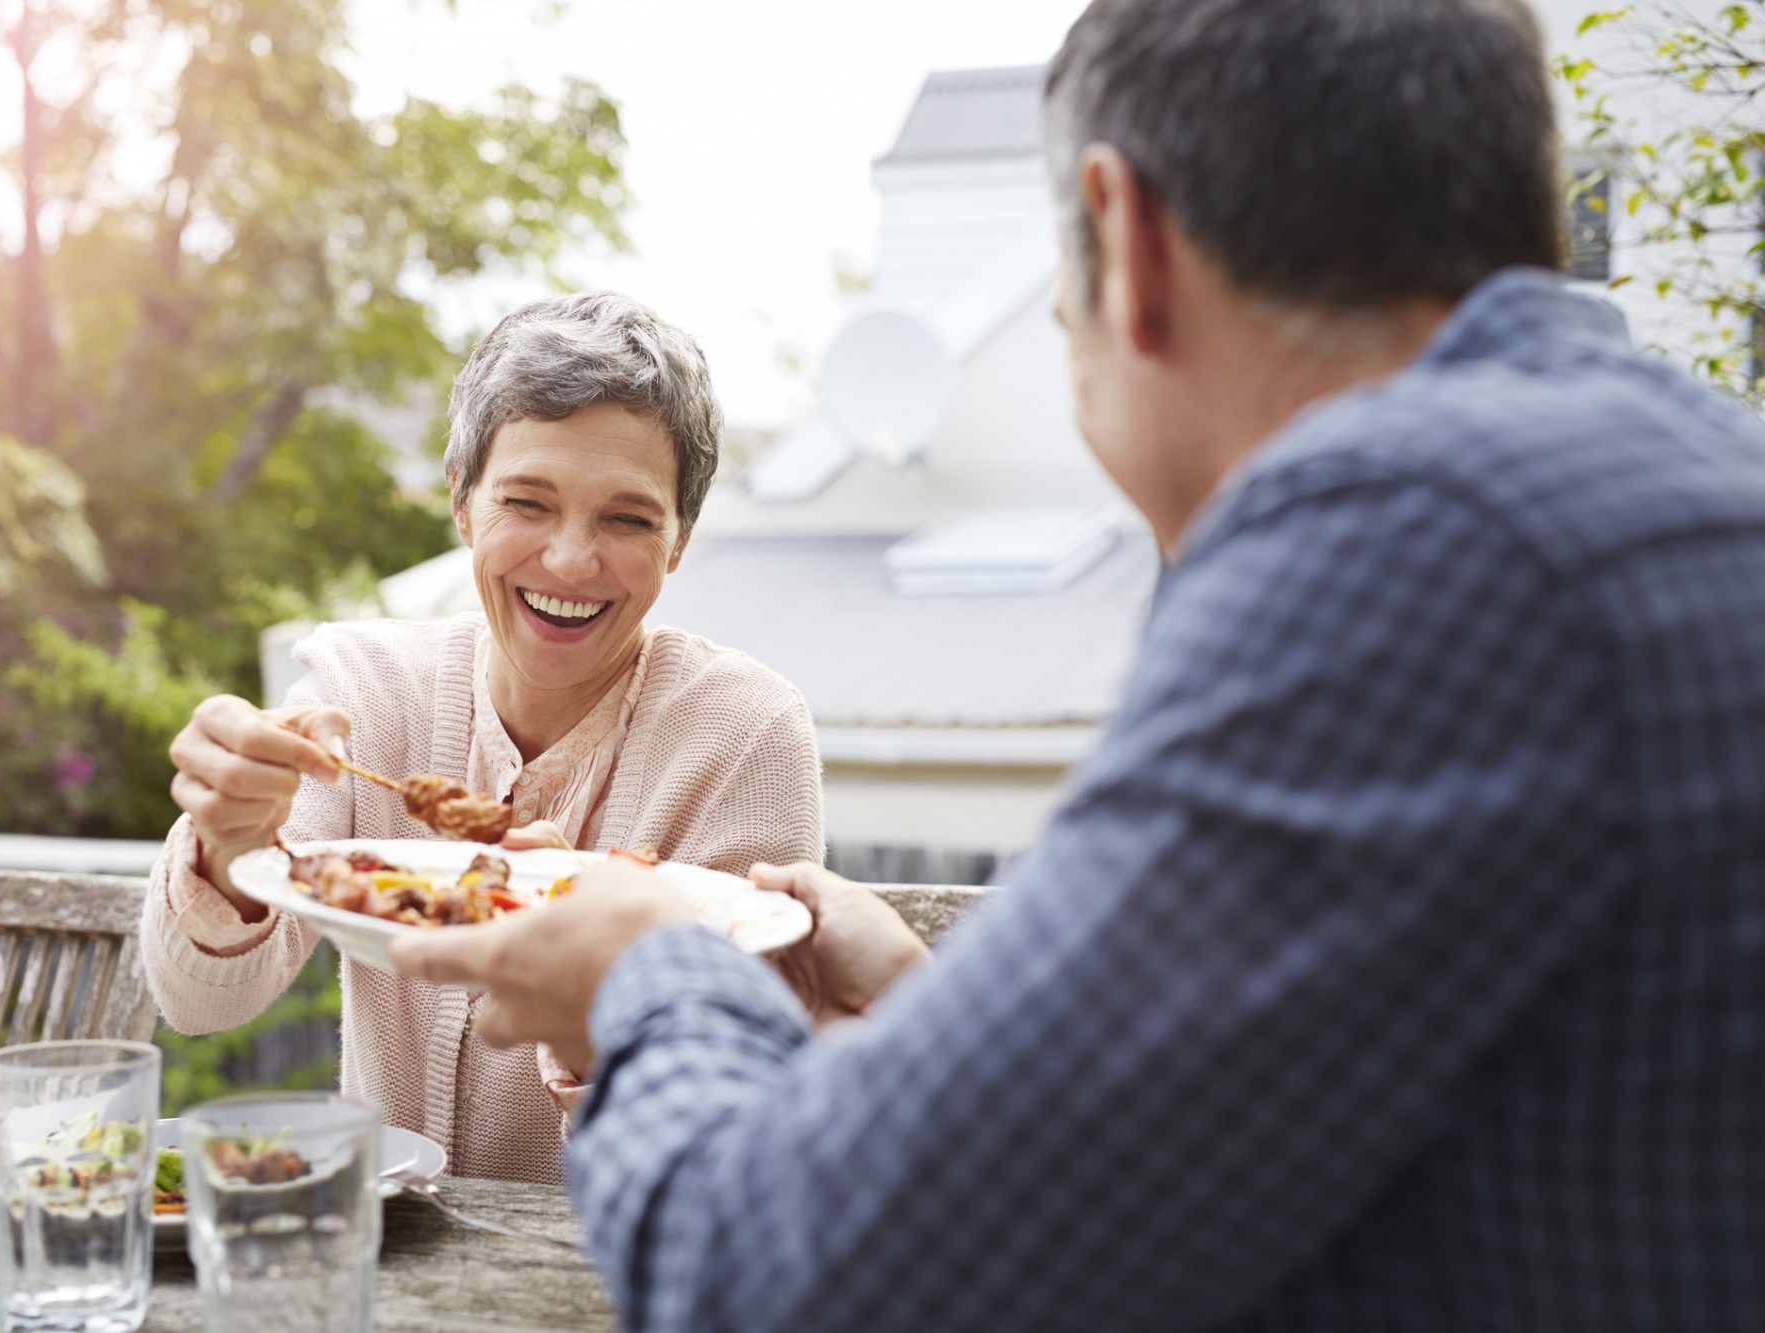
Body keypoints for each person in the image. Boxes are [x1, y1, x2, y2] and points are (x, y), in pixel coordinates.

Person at [388, 0, 1765, 1327]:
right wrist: (933, 1013)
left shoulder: (1400, 536)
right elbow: (1252, 1139)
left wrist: (653, 978)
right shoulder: (1686, 476)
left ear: (1127, 235)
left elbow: (785, 1278)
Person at [143, 292, 824, 1184]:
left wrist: (606, 999)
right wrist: (228, 847)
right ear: (463, 504)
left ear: (680, 541)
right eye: (527, 502)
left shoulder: (746, 735)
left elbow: (736, 1131)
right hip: (378, 1260)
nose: (573, 560)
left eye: (628, 518)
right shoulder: (362, 689)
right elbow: (199, 1001)